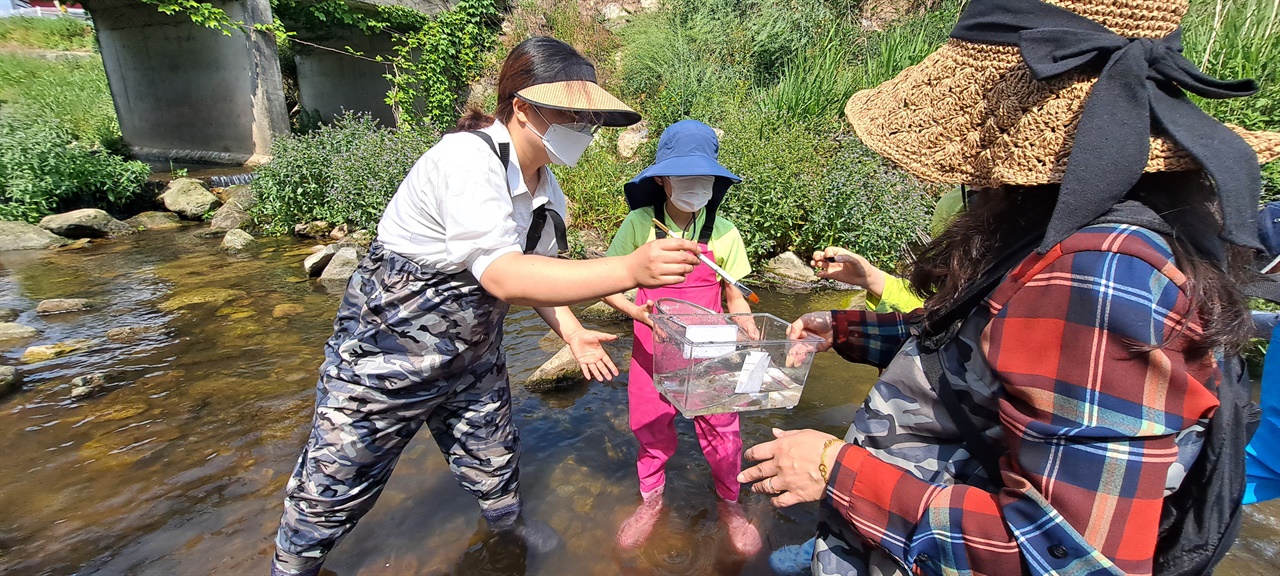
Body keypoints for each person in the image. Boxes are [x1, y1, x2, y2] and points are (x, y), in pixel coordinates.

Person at [738, 0, 1280, 574]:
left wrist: (834, 471)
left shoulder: (1102, 274)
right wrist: (853, 331)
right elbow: (988, 356)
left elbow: (1067, 558)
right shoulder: (1072, 227)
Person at [270, 37, 703, 576]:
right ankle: (293, 566)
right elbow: (502, 274)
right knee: (337, 478)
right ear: (522, 107)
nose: (584, 128)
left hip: (471, 357)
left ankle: (506, 527)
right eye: (573, 114)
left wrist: (570, 329)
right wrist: (630, 270)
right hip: (384, 361)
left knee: (494, 455)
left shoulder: (548, 188)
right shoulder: (465, 159)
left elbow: (541, 270)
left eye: (588, 117)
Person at [600, 120, 763, 555]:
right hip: (651, 353)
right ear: (662, 179)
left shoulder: (725, 230)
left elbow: (735, 297)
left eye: (704, 179)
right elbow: (606, 283)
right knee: (650, 430)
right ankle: (651, 503)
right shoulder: (639, 225)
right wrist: (638, 312)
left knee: (725, 433)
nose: (695, 186)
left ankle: (731, 506)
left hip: (711, 357)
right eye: (685, 177)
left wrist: (746, 325)